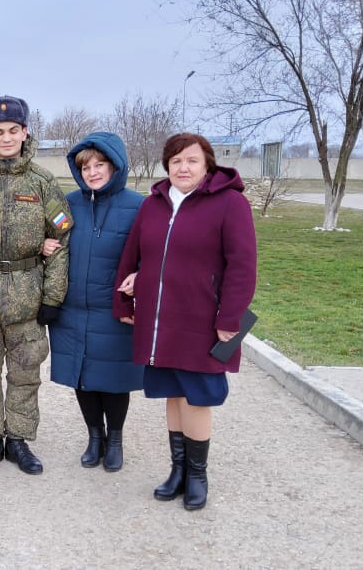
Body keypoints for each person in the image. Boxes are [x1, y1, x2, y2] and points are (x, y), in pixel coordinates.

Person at [113, 132, 257, 511]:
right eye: (176, 161)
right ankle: (177, 471)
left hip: (203, 320)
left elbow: (242, 267)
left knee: (197, 398)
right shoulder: (154, 205)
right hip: (161, 321)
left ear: (207, 164)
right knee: (174, 395)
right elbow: (134, 256)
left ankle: (198, 475)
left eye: (191, 160)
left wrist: (231, 318)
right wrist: (124, 296)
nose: (183, 167)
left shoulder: (230, 204)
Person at [0, 95, 71, 475]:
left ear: (25, 133)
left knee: (24, 375)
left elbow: (61, 239)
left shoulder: (42, 183)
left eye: (13, 131)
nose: (6, 138)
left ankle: (18, 440)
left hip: (28, 296)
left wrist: (52, 297)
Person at [45, 132, 144, 472]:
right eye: (86, 166)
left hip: (114, 311)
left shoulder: (138, 206)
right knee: (82, 377)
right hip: (73, 310)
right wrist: (44, 247)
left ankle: (114, 439)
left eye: (100, 164)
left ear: (116, 166)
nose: (93, 172)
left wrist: (142, 279)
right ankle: (94, 437)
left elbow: (155, 254)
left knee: (114, 379)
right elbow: (50, 240)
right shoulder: (68, 204)